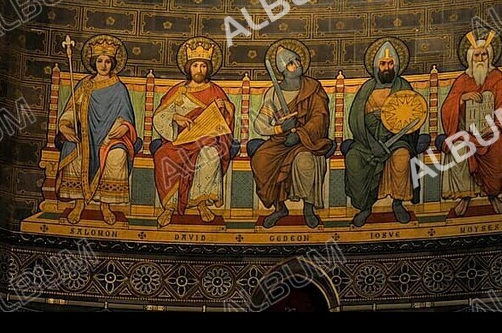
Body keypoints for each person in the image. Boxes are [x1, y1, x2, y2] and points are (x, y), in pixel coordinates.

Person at [55, 35, 138, 225]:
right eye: (100, 61)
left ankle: (106, 205)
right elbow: (71, 110)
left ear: (113, 63)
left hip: (110, 138)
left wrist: (124, 127)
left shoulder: (119, 88)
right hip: (85, 136)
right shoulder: (85, 85)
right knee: (73, 149)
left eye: (108, 61)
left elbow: (127, 117)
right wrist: (64, 126)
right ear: (94, 62)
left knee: (116, 155)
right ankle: (78, 204)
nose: (103, 65)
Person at [152, 37, 235, 226]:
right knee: (162, 157)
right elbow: (160, 115)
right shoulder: (179, 90)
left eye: (203, 66)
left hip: (207, 139)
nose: (199, 69)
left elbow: (228, 116)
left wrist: (225, 106)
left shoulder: (215, 90)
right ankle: (169, 207)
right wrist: (176, 118)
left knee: (211, 153)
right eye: (196, 65)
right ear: (189, 67)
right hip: (181, 138)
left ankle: (202, 202)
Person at [250, 41, 333, 228]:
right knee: (261, 160)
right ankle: (280, 208)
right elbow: (260, 125)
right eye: (291, 62)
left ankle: (308, 208)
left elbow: (321, 117)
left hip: (308, 140)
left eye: (297, 60)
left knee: (304, 161)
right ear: (283, 70)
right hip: (281, 141)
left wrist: (300, 133)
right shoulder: (273, 93)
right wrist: (280, 129)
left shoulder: (313, 88)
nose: (297, 64)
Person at [439, 29, 502, 215]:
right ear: (470, 58)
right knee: (458, 146)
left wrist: (495, 125)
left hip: (492, 131)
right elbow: (446, 108)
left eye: (484, 54)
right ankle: (465, 197)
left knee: (500, 145)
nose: (480, 58)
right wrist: (462, 98)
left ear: (489, 56)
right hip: (467, 131)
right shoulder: (462, 80)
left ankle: (493, 195)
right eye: (477, 55)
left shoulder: (498, 78)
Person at [344, 39, 419, 227]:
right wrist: (372, 142)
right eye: (383, 63)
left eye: (390, 63)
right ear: (377, 65)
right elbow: (355, 120)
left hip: (396, 140)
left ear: (396, 64)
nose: (387, 67)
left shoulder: (403, 87)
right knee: (353, 158)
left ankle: (398, 202)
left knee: (402, 156)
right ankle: (365, 207)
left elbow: (413, 116)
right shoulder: (367, 88)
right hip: (367, 142)